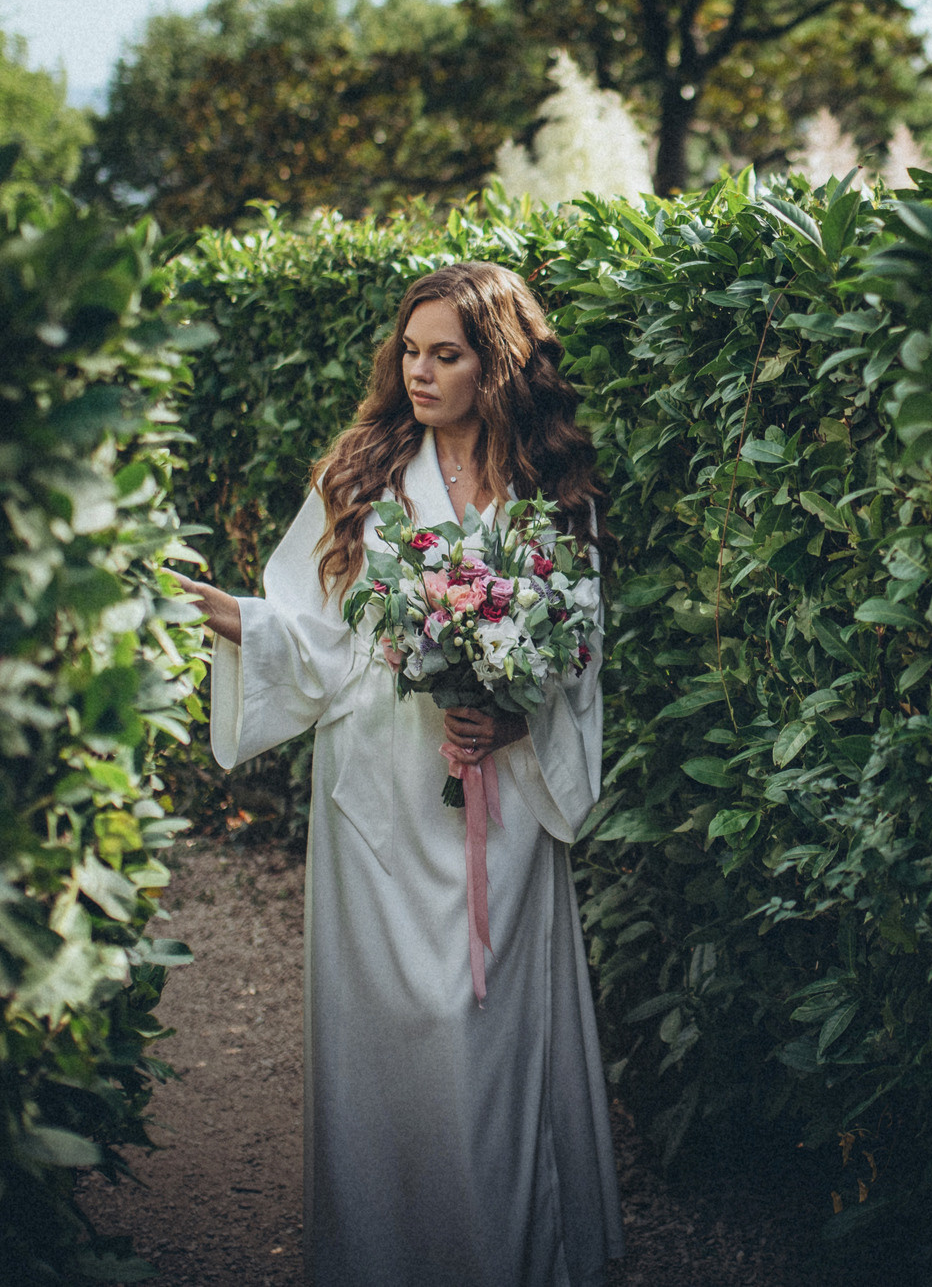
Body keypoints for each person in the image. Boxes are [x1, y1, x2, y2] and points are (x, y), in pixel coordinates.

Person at [173, 261, 622, 1287]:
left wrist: (511, 705)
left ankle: (507, 1253)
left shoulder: (552, 491)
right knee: (392, 1032)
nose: (419, 372)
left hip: (495, 800)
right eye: (410, 351)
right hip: (377, 798)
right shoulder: (360, 477)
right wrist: (221, 611)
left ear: (495, 364)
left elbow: (582, 641)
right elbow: (317, 637)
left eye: (446, 354)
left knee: (483, 1023)